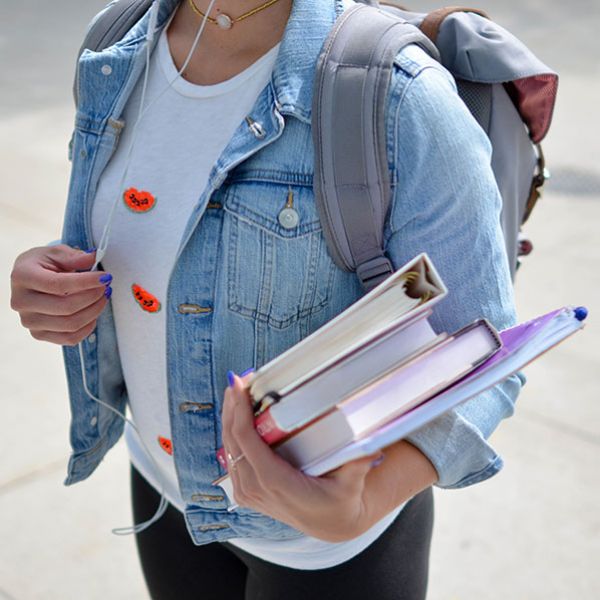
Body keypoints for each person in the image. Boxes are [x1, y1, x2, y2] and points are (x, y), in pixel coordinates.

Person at [9, 0, 524, 598]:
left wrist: (360, 506)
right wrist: (52, 277)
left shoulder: (398, 96)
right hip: (164, 486)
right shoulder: (115, 44)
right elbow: (147, 230)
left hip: (328, 549)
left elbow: (483, 352)